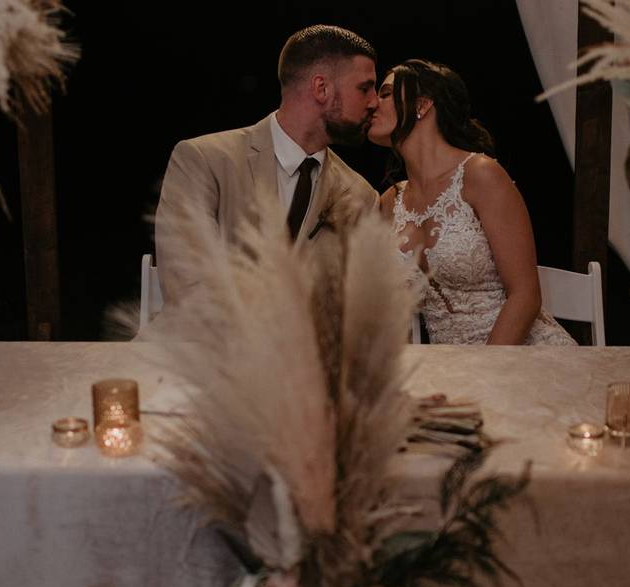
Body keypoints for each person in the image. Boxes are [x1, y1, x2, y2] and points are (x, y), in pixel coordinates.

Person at [153, 25, 381, 311]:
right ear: (321, 88)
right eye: (365, 88)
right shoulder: (203, 160)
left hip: (308, 355)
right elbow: (186, 281)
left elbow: (357, 307)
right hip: (203, 350)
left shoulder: (361, 196)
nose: (374, 102)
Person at [367, 59, 575, 346]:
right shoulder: (391, 202)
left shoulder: (480, 174)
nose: (372, 104)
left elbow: (525, 295)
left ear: (422, 105)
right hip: (452, 369)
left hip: (518, 355)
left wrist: (483, 371)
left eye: (386, 93)